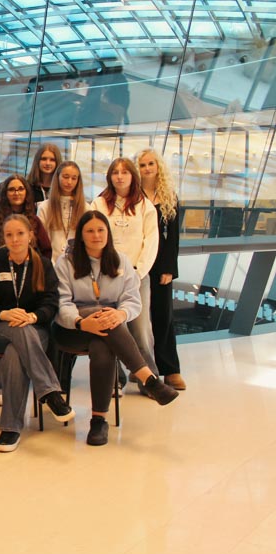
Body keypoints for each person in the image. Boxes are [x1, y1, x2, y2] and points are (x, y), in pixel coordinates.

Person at [54, 211, 178, 446]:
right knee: (102, 316)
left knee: (102, 345)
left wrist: (121, 314)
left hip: (109, 329)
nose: (96, 235)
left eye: (101, 230)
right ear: (81, 235)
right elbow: (61, 303)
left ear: (108, 233)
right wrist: (81, 322)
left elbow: (132, 300)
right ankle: (148, 379)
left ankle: (98, 421)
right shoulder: (65, 262)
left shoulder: (121, 260)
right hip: (71, 329)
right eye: (90, 231)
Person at [0, 214, 75, 453]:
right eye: (9, 235)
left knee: (15, 353)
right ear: (3, 238)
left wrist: (33, 317)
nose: (15, 239)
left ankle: (10, 429)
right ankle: (50, 392)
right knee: (18, 336)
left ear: (30, 235)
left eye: (20, 233)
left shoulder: (43, 265)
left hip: (34, 328)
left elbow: (51, 303)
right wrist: (5, 314)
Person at [91, 157, 161, 390]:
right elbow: (92, 237)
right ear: (109, 177)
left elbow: (151, 242)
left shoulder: (145, 206)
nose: (120, 177)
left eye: (125, 172)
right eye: (115, 172)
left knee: (141, 331)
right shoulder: (99, 204)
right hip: (106, 278)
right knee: (110, 328)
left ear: (133, 176)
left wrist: (138, 273)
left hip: (137, 278)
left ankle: (149, 381)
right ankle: (115, 379)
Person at [137, 149, 185, 390]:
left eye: (151, 164)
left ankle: (170, 369)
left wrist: (169, 269)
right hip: (137, 262)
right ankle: (143, 370)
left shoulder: (168, 196)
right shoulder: (133, 196)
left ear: (158, 167)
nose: (147, 168)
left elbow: (173, 237)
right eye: (142, 165)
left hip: (160, 264)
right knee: (139, 320)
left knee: (163, 316)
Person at [0, 174, 52, 265]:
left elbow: (46, 252)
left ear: (26, 192)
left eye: (20, 189)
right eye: (11, 189)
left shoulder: (34, 220)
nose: (16, 193)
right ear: (5, 193)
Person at [36, 161, 87, 262]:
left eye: (74, 178)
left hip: (77, 264)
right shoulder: (44, 207)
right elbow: (40, 241)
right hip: (51, 263)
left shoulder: (86, 208)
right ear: (57, 177)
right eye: (66, 177)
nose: (69, 182)